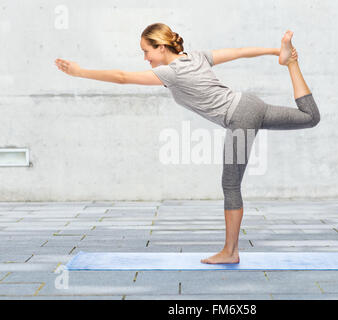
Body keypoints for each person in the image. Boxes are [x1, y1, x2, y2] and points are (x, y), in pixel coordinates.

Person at [54, 22, 320, 265]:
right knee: (309, 117)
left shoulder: (170, 73)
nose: (145, 58)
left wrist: (80, 72)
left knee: (230, 184)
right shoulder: (196, 56)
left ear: (161, 47)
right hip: (250, 105)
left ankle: (230, 252)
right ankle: (292, 65)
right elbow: (239, 51)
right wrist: (277, 51)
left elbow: (123, 77)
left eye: (146, 51)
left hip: (239, 116)